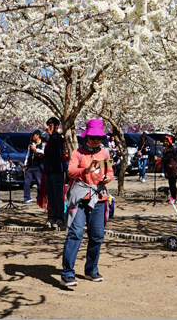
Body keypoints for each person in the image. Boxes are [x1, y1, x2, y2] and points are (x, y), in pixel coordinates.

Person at [60, 118, 115, 288]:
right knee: (75, 234)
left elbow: (110, 170)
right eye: (93, 137)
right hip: (81, 198)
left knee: (97, 236)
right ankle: (67, 273)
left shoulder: (105, 154)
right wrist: (86, 170)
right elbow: (70, 172)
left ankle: (91, 269)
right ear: (86, 137)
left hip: (99, 198)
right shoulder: (78, 153)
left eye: (99, 138)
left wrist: (108, 178)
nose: (96, 141)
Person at [42, 117, 66, 229]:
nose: (49, 127)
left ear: (56, 126)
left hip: (57, 170)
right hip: (49, 170)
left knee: (58, 195)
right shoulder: (50, 139)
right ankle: (54, 217)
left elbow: (58, 145)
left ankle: (60, 217)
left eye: (51, 125)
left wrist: (51, 133)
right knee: (51, 196)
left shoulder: (58, 138)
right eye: (48, 125)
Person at [159, 135, 177, 203]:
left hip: (174, 169)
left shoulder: (171, 150)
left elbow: (167, 158)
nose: (165, 142)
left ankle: (174, 198)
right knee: (171, 183)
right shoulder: (166, 149)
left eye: (166, 141)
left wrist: (159, 159)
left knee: (173, 184)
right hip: (170, 169)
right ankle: (172, 197)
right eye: (164, 141)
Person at [23, 130, 45, 203]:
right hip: (30, 166)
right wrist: (25, 164)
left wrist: (36, 149)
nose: (32, 136)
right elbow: (28, 154)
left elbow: (44, 152)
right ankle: (27, 197)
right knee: (27, 182)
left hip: (38, 166)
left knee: (39, 183)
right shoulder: (31, 144)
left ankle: (39, 197)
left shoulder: (43, 143)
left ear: (38, 135)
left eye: (34, 135)